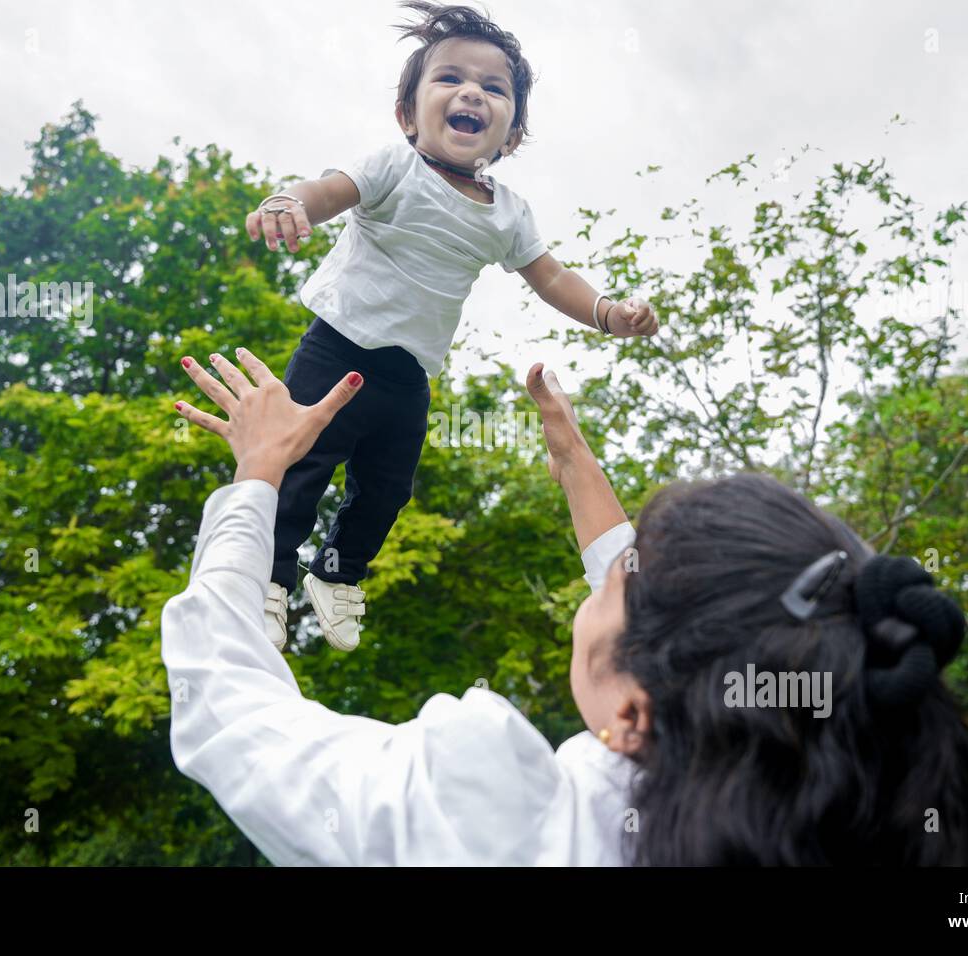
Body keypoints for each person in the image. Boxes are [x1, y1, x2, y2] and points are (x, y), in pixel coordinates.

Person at [164, 348, 968, 865]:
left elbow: (228, 702)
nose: (612, 572)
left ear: (634, 712)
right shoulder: (874, 803)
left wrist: (260, 476)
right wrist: (570, 456)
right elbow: (705, 629)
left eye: (620, 583)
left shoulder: (494, 823)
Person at [242, 2, 659, 652]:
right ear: (408, 114)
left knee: (386, 491)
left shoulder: (509, 214)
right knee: (298, 467)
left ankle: (336, 573)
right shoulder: (393, 166)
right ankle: (266, 580)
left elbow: (551, 278)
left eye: (494, 89)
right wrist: (288, 200)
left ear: (510, 133)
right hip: (335, 348)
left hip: (408, 375)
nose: (472, 93)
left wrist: (607, 312)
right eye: (451, 79)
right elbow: (328, 189)